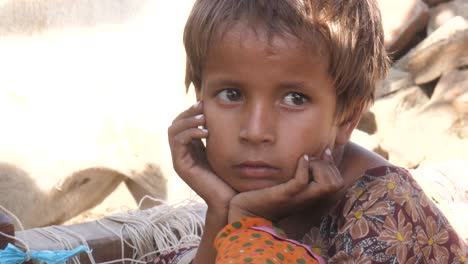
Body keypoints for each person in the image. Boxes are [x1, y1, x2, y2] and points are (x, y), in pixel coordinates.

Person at [166, 0, 468, 263]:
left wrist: (247, 222)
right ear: (199, 101)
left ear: (347, 118)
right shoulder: (255, 190)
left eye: (294, 99)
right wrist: (220, 211)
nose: (255, 131)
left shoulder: (385, 215)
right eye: (231, 94)